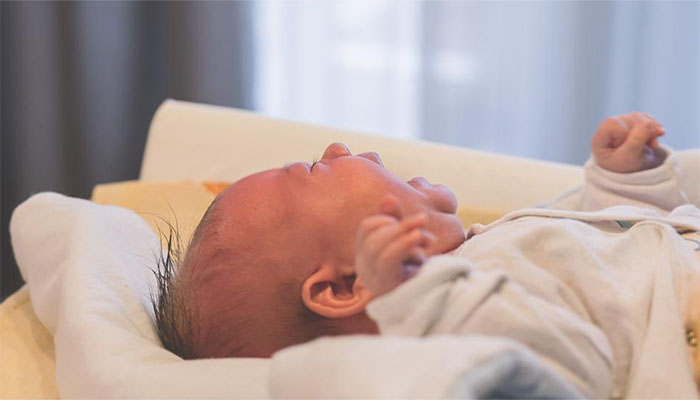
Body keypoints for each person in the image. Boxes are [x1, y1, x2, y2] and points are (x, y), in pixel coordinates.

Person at [152, 112, 699, 398]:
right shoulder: (468, 335)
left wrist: (624, 185)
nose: (339, 149)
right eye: (315, 170)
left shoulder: (484, 254)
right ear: (346, 286)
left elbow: (602, 247)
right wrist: (428, 300)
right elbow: (588, 367)